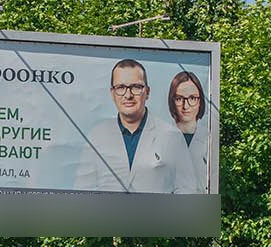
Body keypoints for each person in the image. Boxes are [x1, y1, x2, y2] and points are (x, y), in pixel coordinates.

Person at [74, 59, 197, 193]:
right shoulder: (96, 136)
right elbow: (83, 192)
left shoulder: (171, 136)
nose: (128, 95)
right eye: (120, 87)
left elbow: (187, 191)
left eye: (136, 87)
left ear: (147, 92)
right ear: (112, 93)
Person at [167, 69, 211, 191]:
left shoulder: (210, 139)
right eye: (179, 98)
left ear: (200, 101)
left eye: (192, 98)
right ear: (172, 100)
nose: (186, 106)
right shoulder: (160, 138)